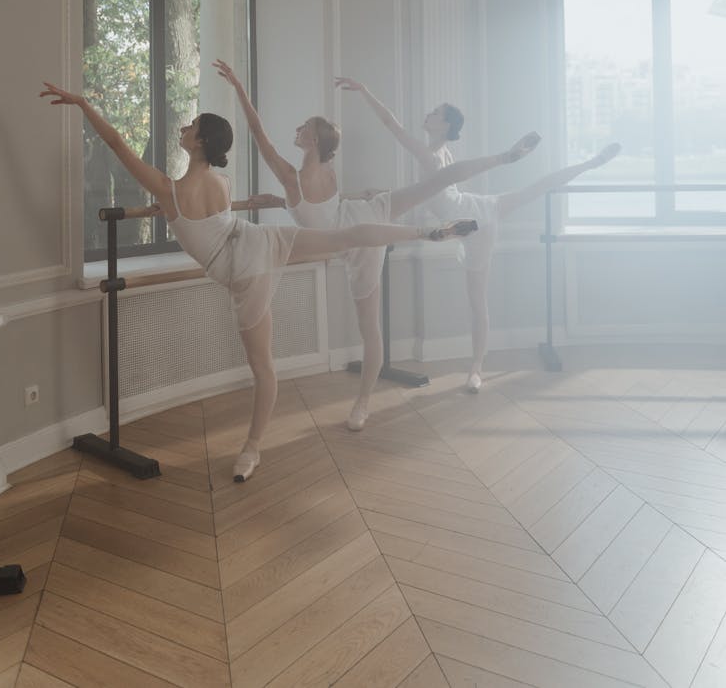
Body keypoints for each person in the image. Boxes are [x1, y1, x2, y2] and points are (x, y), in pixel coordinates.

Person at [40, 81, 478, 481]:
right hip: (263, 243)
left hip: (245, 274)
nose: (185, 126)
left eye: (191, 125)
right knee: (342, 238)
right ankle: (427, 232)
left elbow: (117, 144)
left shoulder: (167, 190)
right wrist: (170, 212)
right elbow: (211, 219)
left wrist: (83, 104)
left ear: (200, 142)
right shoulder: (221, 183)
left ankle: (252, 452)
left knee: (263, 368)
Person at [213, 61, 540, 430]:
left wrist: (239, 87)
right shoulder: (327, 173)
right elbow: (323, 209)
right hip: (368, 217)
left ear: (314, 139)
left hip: (357, 238)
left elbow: (258, 134)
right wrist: (279, 201)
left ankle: (364, 404)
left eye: (303, 127)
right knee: (435, 184)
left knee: (369, 327)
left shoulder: (291, 177)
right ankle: (502, 160)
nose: (297, 129)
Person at [335, 77, 621, 393]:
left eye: (435, 112)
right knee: (532, 195)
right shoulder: (435, 153)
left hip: (477, 218)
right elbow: (430, 195)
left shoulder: (432, 154)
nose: (428, 114)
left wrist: (365, 91)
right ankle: (476, 369)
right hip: (475, 217)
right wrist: (381, 193)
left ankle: (476, 370)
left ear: (444, 125)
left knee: (480, 297)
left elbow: (391, 124)